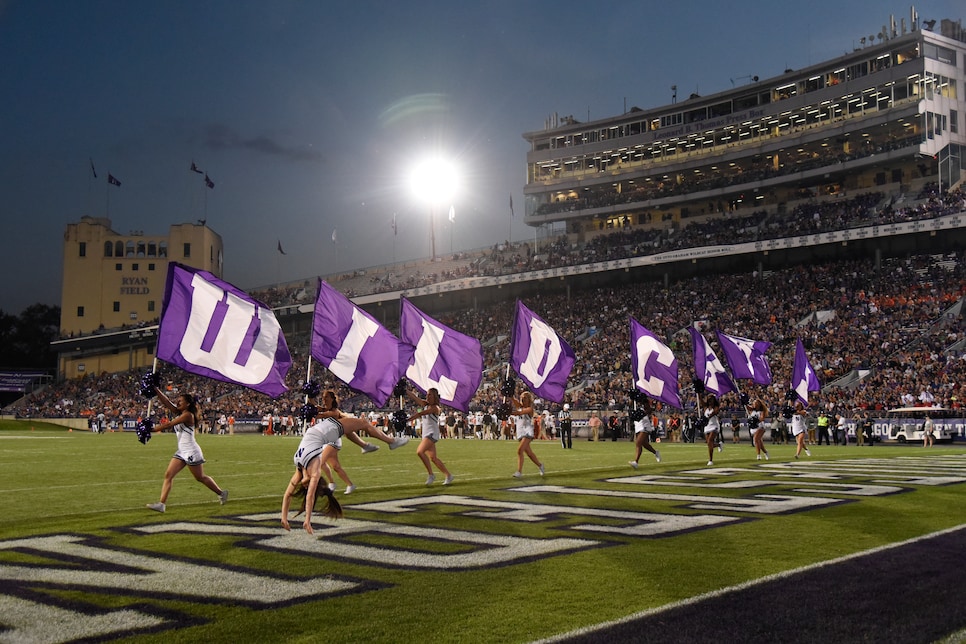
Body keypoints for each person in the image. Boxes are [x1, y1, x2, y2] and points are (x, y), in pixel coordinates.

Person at [146, 385, 228, 513]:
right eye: (177, 400)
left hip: (191, 451)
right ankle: (162, 504)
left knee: (200, 477)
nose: (178, 402)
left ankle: (221, 493)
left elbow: (168, 424)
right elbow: (167, 402)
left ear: (188, 404)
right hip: (182, 451)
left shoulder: (188, 415)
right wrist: (156, 389)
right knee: (168, 475)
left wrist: (152, 430)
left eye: (181, 401)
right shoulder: (180, 412)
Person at [408, 387, 454, 486]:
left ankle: (431, 475)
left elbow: (421, 413)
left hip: (432, 433)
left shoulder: (435, 408)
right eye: (427, 394)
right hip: (426, 433)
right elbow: (414, 398)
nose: (427, 396)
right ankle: (448, 475)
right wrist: (405, 390)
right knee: (433, 458)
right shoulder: (425, 404)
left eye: (430, 395)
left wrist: (408, 420)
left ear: (435, 396)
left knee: (420, 452)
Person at [510, 391, 545, 478]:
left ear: (529, 400)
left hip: (527, 432)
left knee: (519, 450)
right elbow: (514, 401)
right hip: (520, 432)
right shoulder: (519, 406)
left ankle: (519, 472)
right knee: (529, 453)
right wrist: (510, 396)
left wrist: (508, 412)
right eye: (521, 397)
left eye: (524, 398)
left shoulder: (530, 409)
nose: (522, 399)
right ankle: (540, 465)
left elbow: (519, 413)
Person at [629, 397, 661, 468]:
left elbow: (649, 411)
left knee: (638, 442)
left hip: (644, 425)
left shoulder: (645, 403)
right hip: (637, 424)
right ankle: (656, 452)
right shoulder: (634, 404)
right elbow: (630, 407)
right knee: (644, 444)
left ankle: (636, 462)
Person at [745, 393, 770, 461]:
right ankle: (766, 452)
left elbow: (762, 418)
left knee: (756, 439)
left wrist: (756, 420)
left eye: (756, 403)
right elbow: (747, 406)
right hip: (753, 428)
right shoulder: (752, 409)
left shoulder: (762, 411)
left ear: (759, 404)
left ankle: (758, 455)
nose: (755, 404)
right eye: (754, 403)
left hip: (760, 427)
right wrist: (743, 401)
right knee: (759, 443)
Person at [702, 393, 722, 466]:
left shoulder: (716, 407)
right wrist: (698, 393)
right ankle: (718, 445)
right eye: (709, 399)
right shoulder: (705, 407)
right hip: (707, 426)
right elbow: (700, 401)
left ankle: (710, 460)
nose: (710, 401)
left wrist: (707, 418)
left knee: (710, 440)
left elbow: (714, 413)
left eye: (712, 399)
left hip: (714, 426)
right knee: (709, 443)